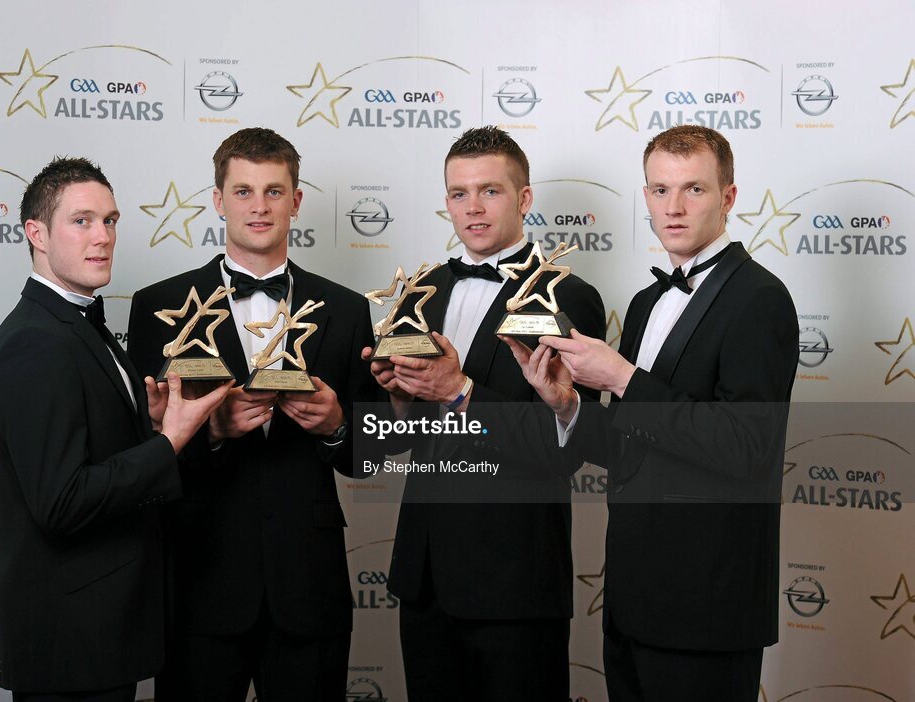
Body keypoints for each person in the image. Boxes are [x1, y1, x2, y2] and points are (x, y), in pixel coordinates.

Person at [506, 125, 799, 702]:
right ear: (644, 198)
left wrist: (621, 377)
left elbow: (746, 447)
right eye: (660, 190)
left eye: (694, 189)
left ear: (729, 198)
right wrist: (564, 403)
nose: (675, 206)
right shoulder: (644, 304)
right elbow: (630, 444)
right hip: (634, 600)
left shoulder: (761, 299)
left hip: (710, 606)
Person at [126, 127, 376, 702]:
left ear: (296, 200)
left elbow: (371, 457)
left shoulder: (346, 308)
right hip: (200, 581)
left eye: (272, 191)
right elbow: (139, 456)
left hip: (309, 588)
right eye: (242, 191)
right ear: (218, 200)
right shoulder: (159, 308)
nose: (258, 206)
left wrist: (338, 426)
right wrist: (209, 435)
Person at [363, 126, 606, 701]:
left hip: (515, 578)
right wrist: (397, 395)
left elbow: (565, 446)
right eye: (458, 193)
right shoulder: (421, 291)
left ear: (524, 199)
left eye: (490, 191)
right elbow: (391, 440)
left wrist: (461, 388)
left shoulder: (566, 296)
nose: (472, 208)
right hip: (425, 574)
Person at [0, 157, 231, 701]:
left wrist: (156, 428)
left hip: (101, 631)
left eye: (111, 221)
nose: (103, 237)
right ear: (36, 233)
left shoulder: (79, 325)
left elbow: (97, 457)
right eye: (82, 221)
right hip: (68, 640)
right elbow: (61, 502)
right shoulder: (37, 343)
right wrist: (169, 442)